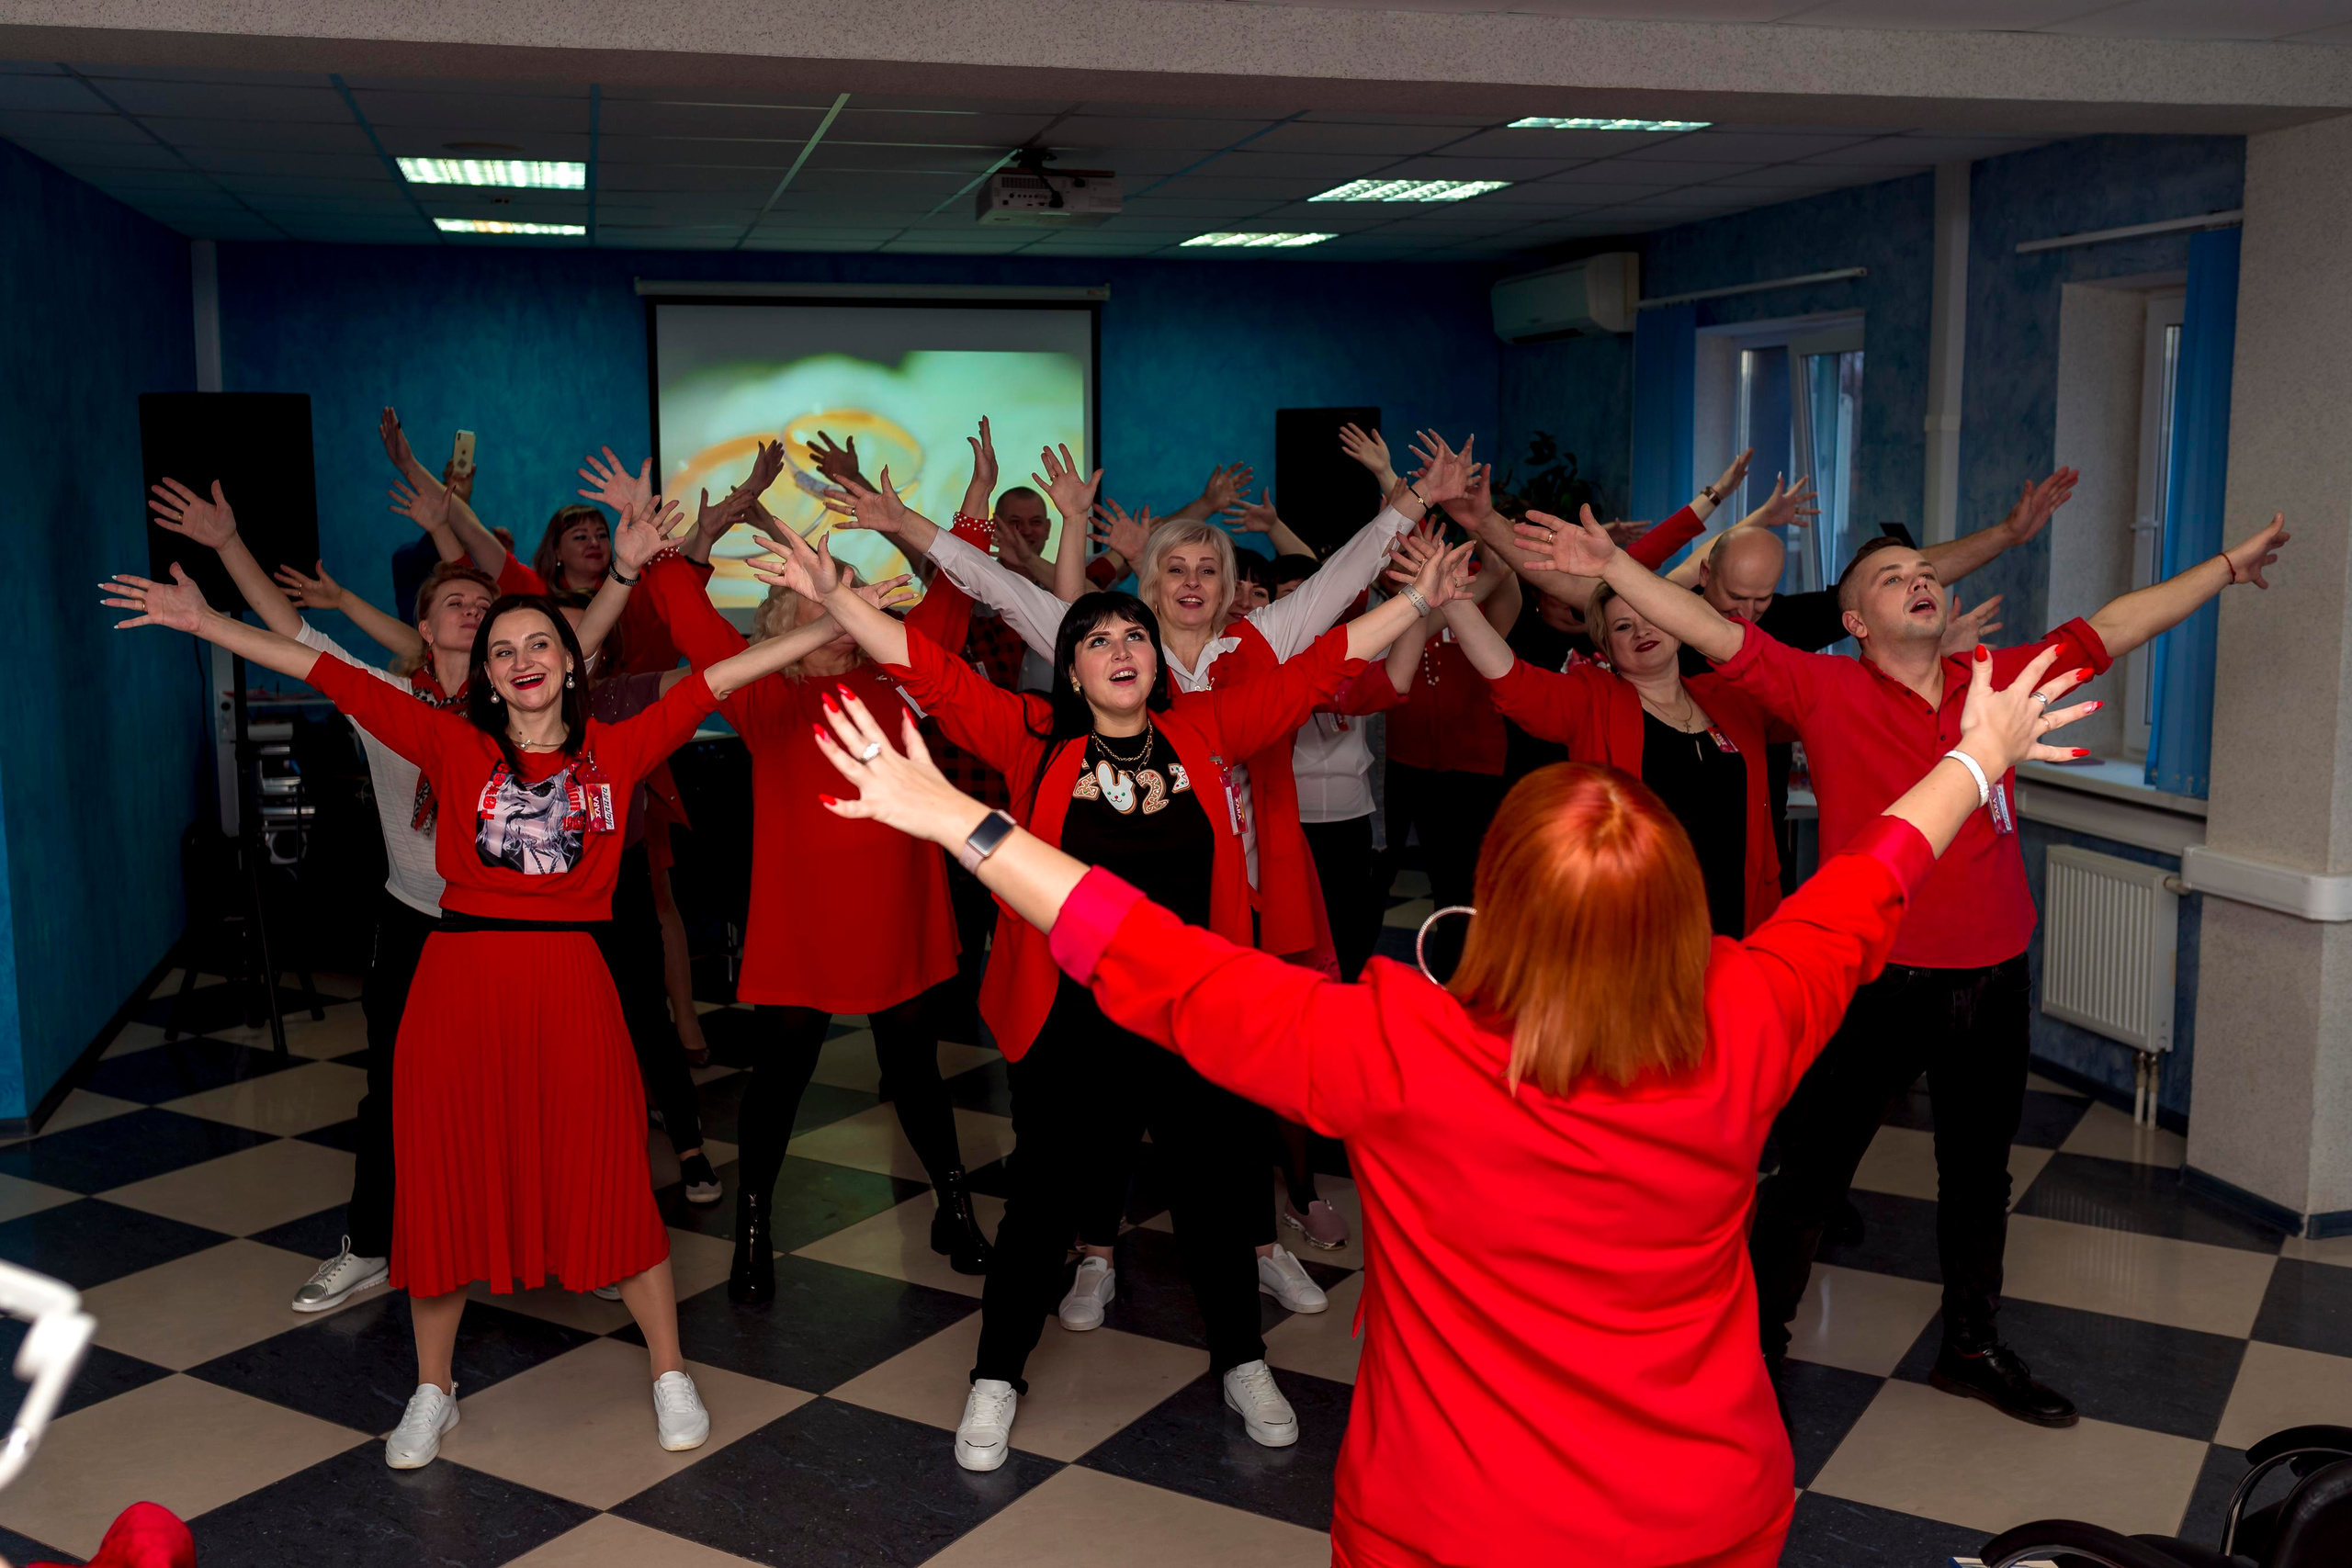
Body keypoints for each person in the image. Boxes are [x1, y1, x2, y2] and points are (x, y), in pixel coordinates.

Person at [799, 613, 2095, 1567]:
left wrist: (955, 820)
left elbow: (1155, 957)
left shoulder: (1399, 1046)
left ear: (1499, 905)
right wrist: (1980, 757)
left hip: (1450, 1524)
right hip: (1708, 1507)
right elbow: (1866, 887)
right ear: (1678, 912)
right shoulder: (1750, 1010)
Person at [98, 525, 856, 1470]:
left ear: (570, 662)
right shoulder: (449, 742)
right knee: (444, 1189)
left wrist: (836, 612)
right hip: (456, 990)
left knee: (610, 1179)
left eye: (538, 643)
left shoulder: (617, 751)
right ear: (485, 676)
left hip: (572, 985)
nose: (521, 660)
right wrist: (205, 621)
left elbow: (729, 676)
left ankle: (668, 1371)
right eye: (502, 651)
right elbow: (322, 669)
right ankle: (433, 1389)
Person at [1528, 502, 2292, 1427]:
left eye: (1922, 572)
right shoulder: (1821, 688)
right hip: (1873, 977)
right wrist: (1614, 566)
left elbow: (2116, 623)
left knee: (1978, 1175)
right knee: (1810, 1173)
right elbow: (1705, 627)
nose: (1918, 580)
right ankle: (1752, 1353)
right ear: (1855, 623)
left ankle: (1969, 1347)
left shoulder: (1994, 680)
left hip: (1995, 971)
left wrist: (2224, 563)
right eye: (1891, 577)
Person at [761, 517, 1476, 1472]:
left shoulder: (1206, 729)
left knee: (1218, 1193)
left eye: (1132, 633)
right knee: (1042, 1204)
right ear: (1070, 671)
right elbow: (930, 669)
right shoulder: (1029, 741)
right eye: (1094, 637)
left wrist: (1420, 600)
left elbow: (1318, 666)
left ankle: (1240, 1359)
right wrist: (840, 597)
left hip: (1196, 1014)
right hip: (1068, 1018)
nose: (1120, 646)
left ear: (1157, 660)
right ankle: (996, 1376)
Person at [631, 536, 995, 1298]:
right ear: (782, 614)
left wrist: (975, 511)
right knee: (781, 1075)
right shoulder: (766, 695)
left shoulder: (897, 672)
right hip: (803, 915)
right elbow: (699, 629)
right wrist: (659, 552)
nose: (833, 594)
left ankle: (954, 1207)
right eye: (812, 587)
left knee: (915, 1068)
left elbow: (953, 601)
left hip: (896, 905)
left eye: (845, 585)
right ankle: (754, 1225)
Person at [1430, 558, 1787, 938]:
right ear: (1607, 645)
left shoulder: (1732, 700)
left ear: (1680, 626)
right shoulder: (1592, 701)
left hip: (1739, 916)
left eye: (1650, 615)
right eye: (1622, 626)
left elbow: (1814, 706)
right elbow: (1512, 682)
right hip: (1639, 921)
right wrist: (1455, 604)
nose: (1641, 631)